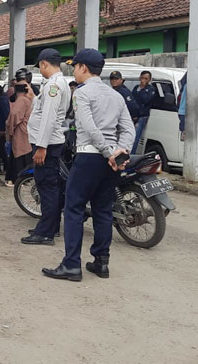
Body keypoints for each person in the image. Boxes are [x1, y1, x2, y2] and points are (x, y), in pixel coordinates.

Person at [42, 49, 135, 281]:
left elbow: (89, 127)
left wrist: (108, 152)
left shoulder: (82, 94)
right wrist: (119, 153)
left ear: (83, 68)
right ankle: (101, 262)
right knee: (103, 210)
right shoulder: (116, 95)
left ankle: (71, 265)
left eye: (75, 66)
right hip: (110, 162)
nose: (73, 70)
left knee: (73, 209)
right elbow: (128, 129)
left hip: (89, 158)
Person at [21, 48, 70, 246]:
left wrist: (41, 147)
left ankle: (46, 232)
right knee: (50, 186)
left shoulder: (54, 86)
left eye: (40, 67)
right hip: (49, 141)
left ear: (44, 64)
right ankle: (51, 227)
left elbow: (49, 118)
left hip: (47, 144)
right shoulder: (54, 84)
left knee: (47, 187)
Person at [5, 83, 33, 187]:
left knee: (19, 155)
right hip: (26, 130)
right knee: (24, 155)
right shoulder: (28, 100)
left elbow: (14, 114)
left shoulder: (21, 100)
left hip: (20, 131)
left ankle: (16, 179)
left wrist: (10, 128)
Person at [131, 70, 156, 154]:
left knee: (135, 137)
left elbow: (146, 100)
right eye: (142, 78)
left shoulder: (150, 89)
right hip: (132, 115)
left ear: (149, 80)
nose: (143, 80)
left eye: (146, 78)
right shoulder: (135, 88)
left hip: (142, 116)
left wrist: (142, 89)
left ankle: (132, 154)